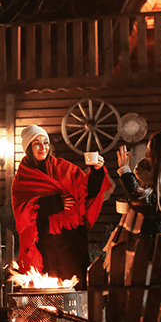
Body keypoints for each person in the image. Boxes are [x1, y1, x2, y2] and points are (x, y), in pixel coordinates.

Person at [11, 124, 113, 289]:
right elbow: (23, 212)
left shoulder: (64, 167)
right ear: (28, 148)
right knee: (50, 289)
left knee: (76, 285)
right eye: (37, 143)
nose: (43, 147)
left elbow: (87, 192)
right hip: (45, 244)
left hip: (71, 240)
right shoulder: (23, 177)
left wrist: (97, 171)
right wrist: (56, 203)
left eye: (45, 142)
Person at [105, 130, 161, 267]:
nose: (146, 155)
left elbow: (141, 201)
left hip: (152, 251)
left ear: (160, 155)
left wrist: (125, 171)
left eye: (149, 150)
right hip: (150, 248)